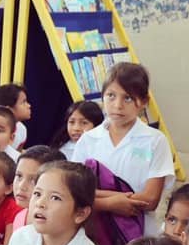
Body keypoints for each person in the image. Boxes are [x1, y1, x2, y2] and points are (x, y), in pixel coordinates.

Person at [71, 62, 175, 235]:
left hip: (139, 232)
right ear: (102, 97)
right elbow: (73, 192)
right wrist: (111, 203)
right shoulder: (88, 140)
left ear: (144, 102)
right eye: (111, 95)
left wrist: (94, 196)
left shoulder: (155, 141)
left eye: (127, 98)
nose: (117, 105)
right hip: (95, 230)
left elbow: (150, 199)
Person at [11, 145, 66, 230]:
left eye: (33, 180)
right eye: (19, 176)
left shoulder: (56, 226)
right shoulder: (19, 217)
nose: (21, 186)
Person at [0, 83, 32, 150]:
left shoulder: (22, 129)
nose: (29, 105)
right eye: (23, 102)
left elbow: (18, 153)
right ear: (8, 110)